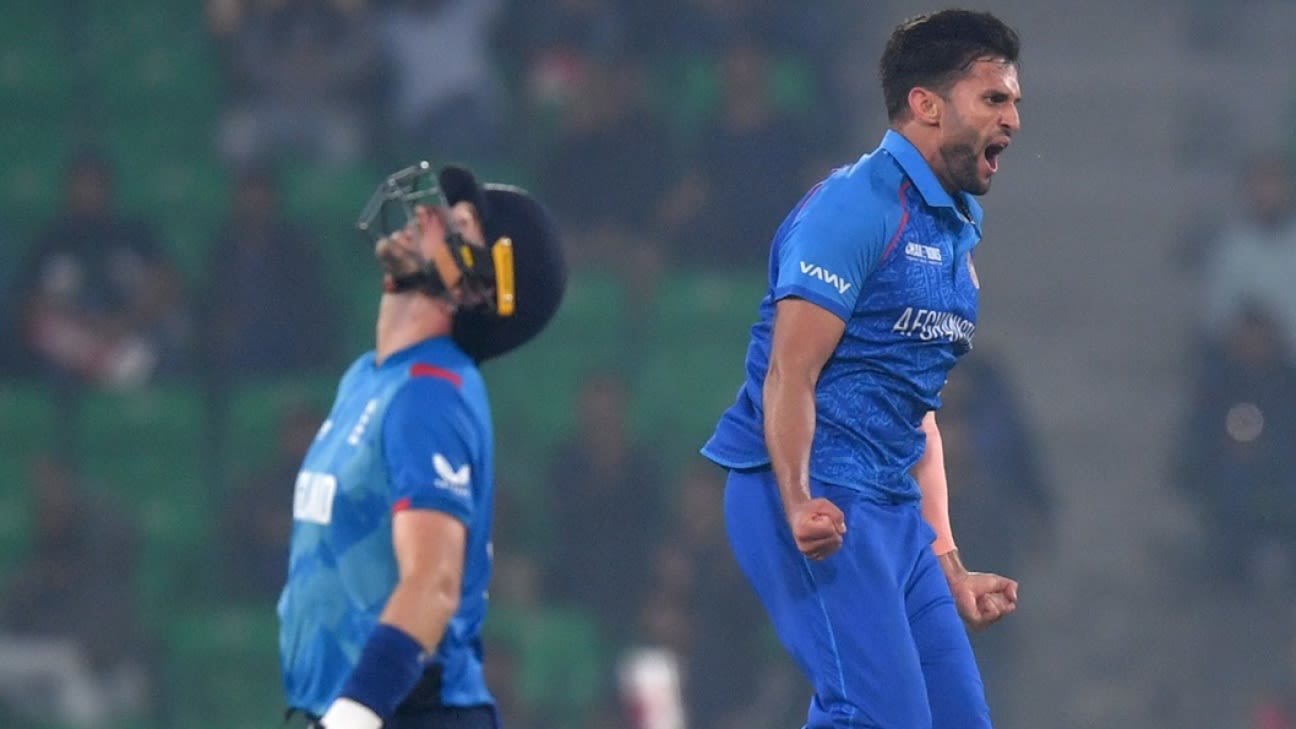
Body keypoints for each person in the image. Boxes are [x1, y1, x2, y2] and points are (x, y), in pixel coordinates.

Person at [700, 10, 1023, 728]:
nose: (1012, 119)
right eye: (993, 99)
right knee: (880, 717)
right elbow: (789, 372)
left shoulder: (952, 229)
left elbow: (916, 411)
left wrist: (949, 561)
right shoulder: (854, 207)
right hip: (815, 498)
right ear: (926, 104)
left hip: (893, 512)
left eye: (1013, 101)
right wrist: (797, 502)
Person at [277, 161, 565, 729]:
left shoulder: (429, 393)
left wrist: (352, 717)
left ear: (478, 285)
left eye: (459, 223)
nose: (429, 213)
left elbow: (433, 583)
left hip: (407, 712)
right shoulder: (370, 378)